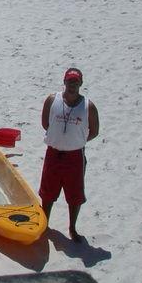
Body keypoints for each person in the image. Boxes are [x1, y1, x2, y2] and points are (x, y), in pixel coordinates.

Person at [39, 68, 100, 242]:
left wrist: (77, 141)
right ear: (64, 82)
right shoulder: (52, 100)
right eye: (70, 81)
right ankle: (45, 222)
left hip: (75, 157)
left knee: (75, 194)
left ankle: (72, 228)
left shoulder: (88, 106)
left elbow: (94, 131)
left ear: (81, 83)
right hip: (53, 153)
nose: (72, 85)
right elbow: (45, 123)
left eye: (76, 81)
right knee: (48, 191)